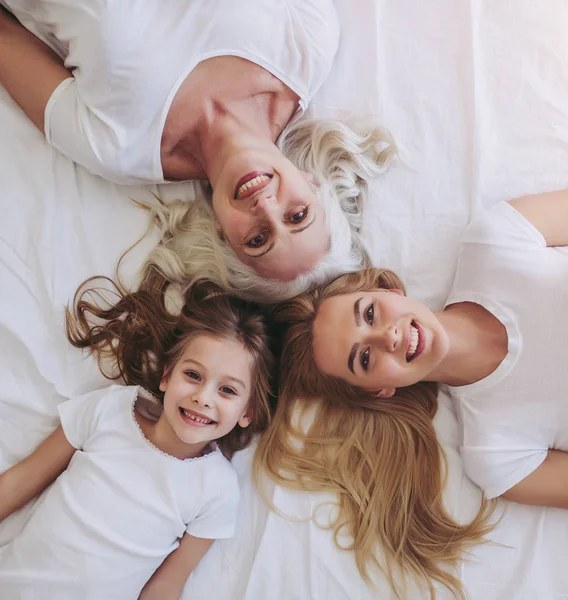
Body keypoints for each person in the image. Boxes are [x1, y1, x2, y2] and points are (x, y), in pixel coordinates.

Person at [257, 188, 568, 597]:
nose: (387, 335)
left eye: (369, 313)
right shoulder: (496, 455)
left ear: (390, 292)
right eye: (364, 359)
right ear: (380, 390)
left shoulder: (496, 241)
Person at [0, 1, 394, 296]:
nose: (267, 208)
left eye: (257, 240)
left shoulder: (117, 149)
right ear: (313, 184)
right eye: (297, 214)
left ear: (222, 235)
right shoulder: (310, 41)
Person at [0, 281, 274, 600]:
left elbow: (165, 586)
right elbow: (21, 482)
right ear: (167, 376)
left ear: (247, 412)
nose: (203, 397)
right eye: (193, 376)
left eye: (227, 391)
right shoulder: (109, 409)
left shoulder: (217, 490)